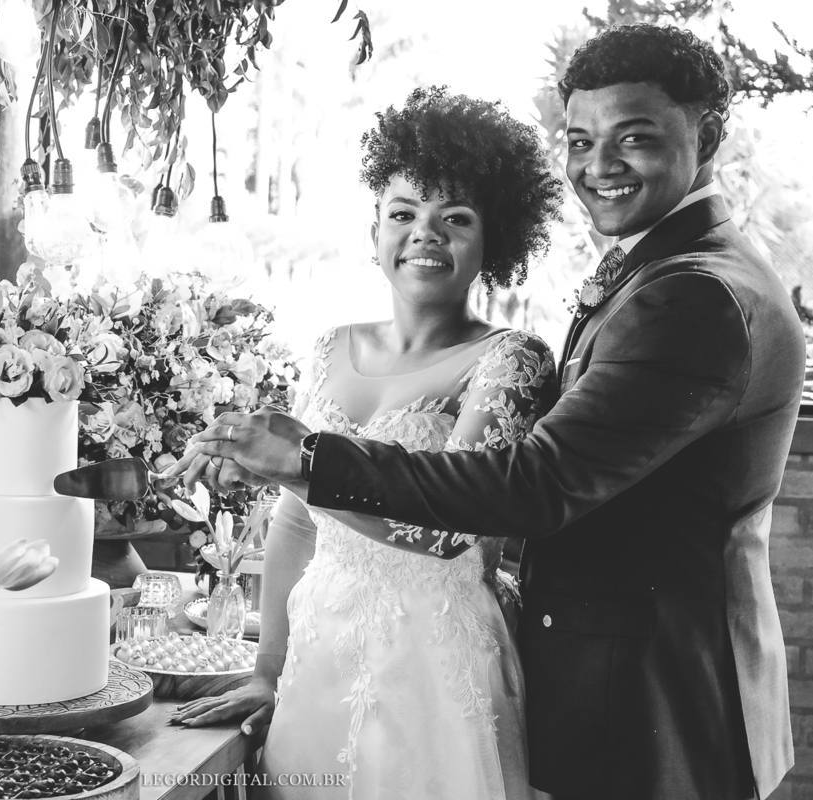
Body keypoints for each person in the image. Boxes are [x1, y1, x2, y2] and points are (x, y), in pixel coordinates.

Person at [171, 24, 803, 800]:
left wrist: (307, 461)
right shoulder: (668, 271)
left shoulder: (692, 295)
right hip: (396, 658)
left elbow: (532, 484)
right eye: (580, 140)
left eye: (634, 137)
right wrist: (270, 660)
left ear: (706, 135)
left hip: (644, 682)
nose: (599, 165)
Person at [171, 86, 563, 799]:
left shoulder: (511, 360)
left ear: (496, 239)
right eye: (403, 213)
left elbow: (450, 529)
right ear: (375, 230)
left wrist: (294, 467)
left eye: (456, 218)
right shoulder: (329, 349)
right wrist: (268, 670)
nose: (425, 234)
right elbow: (296, 523)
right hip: (318, 653)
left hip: (435, 667)